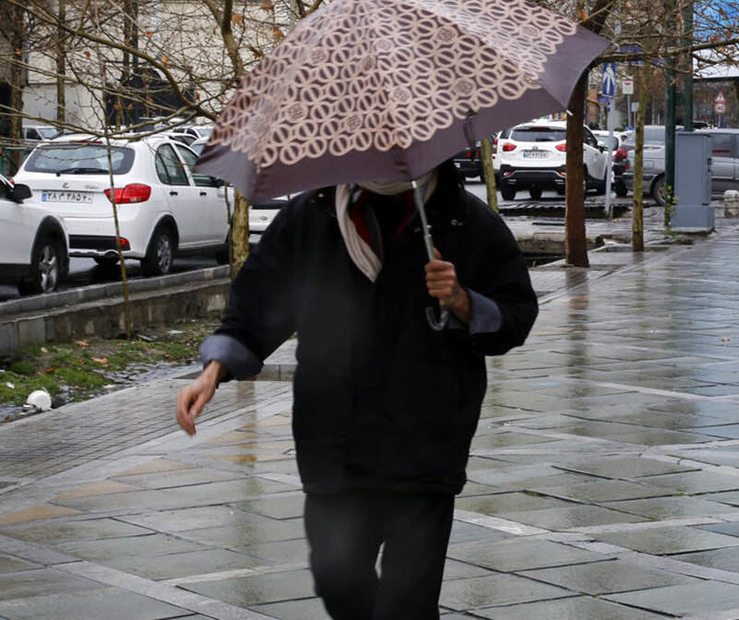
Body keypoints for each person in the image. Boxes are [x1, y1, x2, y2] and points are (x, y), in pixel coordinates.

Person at [175, 161, 538, 619]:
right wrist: (215, 368)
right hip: (334, 439)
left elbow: (517, 313)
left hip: (425, 441)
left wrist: (462, 300)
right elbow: (257, 306)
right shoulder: (312, 216)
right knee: (337, 580)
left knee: (407, 603)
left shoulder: (464, 219)